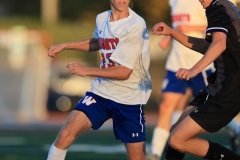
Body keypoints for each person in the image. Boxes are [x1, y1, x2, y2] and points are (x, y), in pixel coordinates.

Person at [46, 0, 152, 160]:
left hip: (129, 98)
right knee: (65, 134)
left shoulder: (136, 24)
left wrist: (86, 71)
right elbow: (98, 42)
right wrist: (65, 45)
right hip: (101, 93)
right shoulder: (102, 18)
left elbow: (124, 72)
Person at [147, 0, 240, 159]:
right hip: (219, 85)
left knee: (177, 139)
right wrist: (172, 32)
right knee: (175, 130)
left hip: (229, 88)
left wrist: (193, 70)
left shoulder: (217, 8)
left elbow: (219, 44)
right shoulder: (223, 6)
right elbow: (207, 46)